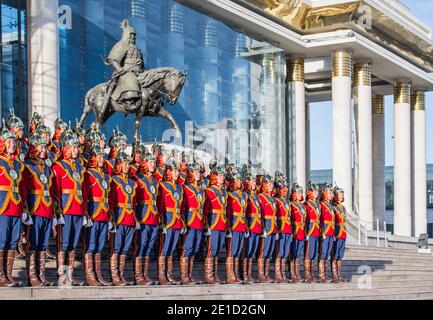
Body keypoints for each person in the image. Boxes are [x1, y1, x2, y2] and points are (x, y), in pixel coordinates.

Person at [52, 128, 86, 286]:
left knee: (73, 244)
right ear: (65, 148)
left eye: (77, 147)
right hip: (65, 210)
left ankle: (69, 275)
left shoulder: (80, 167)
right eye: (73, 147)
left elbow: (83, 191)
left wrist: (85, 212)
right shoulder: (58, 166)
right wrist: (57, 212)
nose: (76, 149)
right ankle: (61, 275)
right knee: (63, 244)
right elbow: (55, 191)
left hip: (78, 210)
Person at [22, 134, 55, 286]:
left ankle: (41, 275)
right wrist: (25, 209)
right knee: (33, 243)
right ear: (34, 148)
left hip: (47, 209)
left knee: (42, 244)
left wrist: (55, 213)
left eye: (45, 146)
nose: (44, 148)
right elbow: (23, 189)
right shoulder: (27, 165)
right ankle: (32, 276)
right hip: (34, 208)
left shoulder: (48, 169)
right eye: (41, 146)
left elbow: (52, 191)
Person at [82, 145, 112, 286]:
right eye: (99, 156)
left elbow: (109, 198)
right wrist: (86, 214)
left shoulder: (106, 176)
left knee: (99, 246)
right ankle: (90, 275)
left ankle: (98, 274)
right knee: (91, 245)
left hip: (104, 214)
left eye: (103, 156)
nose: (101, 159)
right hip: (93, 213)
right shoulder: (89, 173)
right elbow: (85, 195)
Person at [0, 124, 25, 287]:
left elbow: (22, 187)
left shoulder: (18, 164)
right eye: (9, 142)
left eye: (14, 142)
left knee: (12, 241)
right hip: (2, 206)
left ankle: (8, 275)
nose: (12, 144)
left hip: (16, 207)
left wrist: (25, 209)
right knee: (1, 241)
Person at [108, 151, 138, 286]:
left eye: (128, 163)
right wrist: (111, 219)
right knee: (117, 247)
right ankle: (114, 276)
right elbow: (111, 201)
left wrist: (136, 219)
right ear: (118, 165)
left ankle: (121, 275)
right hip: (119, 217)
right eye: (124, 163)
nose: (127, 166)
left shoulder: (132, 183)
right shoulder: (113, 180)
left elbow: (135, 202)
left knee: (125, 249)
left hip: (130, 218)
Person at [131, 152, 159, 285]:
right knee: (141, 245)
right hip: (142, 217)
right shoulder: (137, 179)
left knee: (148, 246)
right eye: (150, 162)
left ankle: (145, 274)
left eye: (154, 162)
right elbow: (133, 201)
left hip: (153, 217)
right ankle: (137, 276)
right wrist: (135, 218)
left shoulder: (155, 180)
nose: (153, 164)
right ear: (144, 163)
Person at [156, 158, 185, 285]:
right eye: (173, 171)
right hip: (167, 221)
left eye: (177, 171)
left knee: (171, 249)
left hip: (177, 221)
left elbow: (182, 206)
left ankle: (169, 274)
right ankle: (161, 275)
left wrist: (183, 222)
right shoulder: (161, 185)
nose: (176, 173)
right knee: (164, 248)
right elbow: (160, 205)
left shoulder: (179, 187)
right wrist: (161, 221)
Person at [180, 162, 205, 285]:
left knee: (195, 248)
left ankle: (189, 275)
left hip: (199, 221)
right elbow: (182, 207)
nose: (198, 174)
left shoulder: (200, 189)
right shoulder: (185, 188)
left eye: (198, 172)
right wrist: (183, 222)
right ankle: (184, 276)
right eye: (195, 172)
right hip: (190, 221)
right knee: (188, 248)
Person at [203, 164, 227, 285]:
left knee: (217, 250)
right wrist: (206, 225)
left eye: (223, 176)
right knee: (211, 250)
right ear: (214, 177)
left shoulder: (223, 191)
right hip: (213, 223)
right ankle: (209, 276)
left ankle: (215, 274)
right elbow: (205, 209)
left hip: (222, 223)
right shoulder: (209, 190)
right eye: (220, 176)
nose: (222, 178)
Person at [225, 172, 248, 284]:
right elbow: (228, 212)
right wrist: (228, 226)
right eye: (237, 180)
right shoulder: (229, 195)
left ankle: (236, 274)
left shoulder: (244, 195)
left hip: (241, 225)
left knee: (238, 251)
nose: (239, 182)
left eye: (240, 180)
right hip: (234, 225)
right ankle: (230, 276)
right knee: (232, 251)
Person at [242, 171, 262, 284]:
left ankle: (249, 274)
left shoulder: (255, 196)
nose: (254, 183)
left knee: (252, 252)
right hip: (249, 225)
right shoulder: (245, 195)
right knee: (247, 251)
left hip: (257, 226)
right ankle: (244, 274)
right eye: (252, 181)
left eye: (255, 181)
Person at [257, 175, 277, 283]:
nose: (271, 185)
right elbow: (260, 213)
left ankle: (266, 273)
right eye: (269, 184)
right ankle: (261, 275)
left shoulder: (272, 198)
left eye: (272, 184)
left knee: (269, 252)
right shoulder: (261, 197)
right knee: (263, 251)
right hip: (267, 226)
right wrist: (263, 227)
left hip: (273, 227)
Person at [273, 178, 292, 283]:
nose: (285, 190)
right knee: (279, 252)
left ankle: (283, 273)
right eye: (283, 188)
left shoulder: (287, 201)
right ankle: (278, 274)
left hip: (288, 229)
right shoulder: (275, 200)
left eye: (286, 188)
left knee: (285, 253)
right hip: (280, 229)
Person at [304, 182, 321, 283]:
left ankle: (311, 272)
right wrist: (305, 232)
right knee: (309, 253)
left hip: (317, 230)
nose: (316, 192)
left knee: (314, 253)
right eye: (314, 191)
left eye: (317, 191)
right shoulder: (306, 204)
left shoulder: (317, 204)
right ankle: (307, 273)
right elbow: (305, 219)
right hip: (310, 230)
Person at [290, 182, 306, 283]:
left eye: (301, 193)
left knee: (299, 253)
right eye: (298, 193)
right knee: (293, 253)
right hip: (294, 230)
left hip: (301, 231)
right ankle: (292, 273)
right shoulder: (291, 204)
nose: (300, 195)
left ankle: (297, 273)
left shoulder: (303, 206)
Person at [318, 183, 335, 283]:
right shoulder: (322, 205)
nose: (331, 195)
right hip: (325, 230)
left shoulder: (330, 205)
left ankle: (326, 273)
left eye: (332, 193)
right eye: (329, 193)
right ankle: (321, 274)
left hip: (331, 231)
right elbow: (320, 219)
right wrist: (322, 231)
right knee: (323, 253)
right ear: (324, 193)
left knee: (327, 253)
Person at [332, 185, 348, 283]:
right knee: (335, 254)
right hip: (336, 232)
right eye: (339, 194)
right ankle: (334, 275)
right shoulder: (333, 206)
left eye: (342, 194)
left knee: (340, 255)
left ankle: (339, 274)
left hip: (342, 232)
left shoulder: (343, 208)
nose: (341, 196)